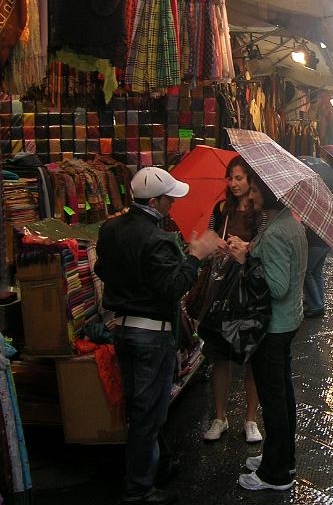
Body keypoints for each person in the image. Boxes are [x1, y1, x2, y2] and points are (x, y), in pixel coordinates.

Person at [95, 167, 225, 505]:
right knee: (147, 413)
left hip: (123, 330)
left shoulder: (110, 229)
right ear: (154, 200)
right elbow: (173, 288)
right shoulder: (159, 238)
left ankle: (160, 465)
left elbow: (101, 270)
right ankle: (139, 489)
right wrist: (195, 256)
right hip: (151, 335)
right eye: (168, 199)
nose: (172, 205)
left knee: (144, 406)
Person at [238, 175, 307, 492]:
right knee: (283, 396)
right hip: (287, 321)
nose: (251, 195)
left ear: (267, 193)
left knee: (274, 400)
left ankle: (275, 473)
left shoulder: (279, 230)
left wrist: (247, 261)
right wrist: (250, 251)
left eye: (254, 189)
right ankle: (282, 457)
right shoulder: (286, 221)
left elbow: (277, 286)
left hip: (274, 326)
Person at [199, 156, 264, 444]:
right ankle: (219, 416)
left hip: (248, 290)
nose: (234, 183)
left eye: (239, 178)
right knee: (219, 354)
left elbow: (263, 247)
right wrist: (217, 245)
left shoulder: (260, 214)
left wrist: (246, 247)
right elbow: (210, 235)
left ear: (250, 180)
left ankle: (251, 419)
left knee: (251, 355)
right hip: (221, 288)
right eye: (231, 178)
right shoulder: (221, 209)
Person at [302, 227, 330, 318]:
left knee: (307, 273)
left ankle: (316, 306)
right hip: (325, 243)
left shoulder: (315, 215)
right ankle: (320, 304)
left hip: (315, 244)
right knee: (317, 274)